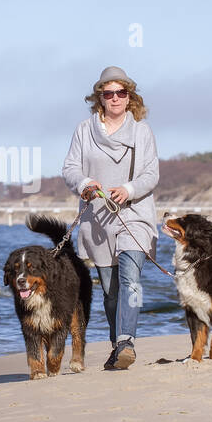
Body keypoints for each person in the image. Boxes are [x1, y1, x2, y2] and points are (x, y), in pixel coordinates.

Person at [62, 66, 160, 369]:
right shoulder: (83, 131)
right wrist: (84, 184)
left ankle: (126, 341)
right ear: (99, 98)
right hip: (98, 219)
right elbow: (70, 168)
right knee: (110, 290)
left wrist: (128, 189)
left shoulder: (141, 131)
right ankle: (117, 346)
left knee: (131, 281)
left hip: (136, 216)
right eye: (109, 93)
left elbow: (151, 174)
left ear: (129, 96)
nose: (115, 98)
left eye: (121, 92)